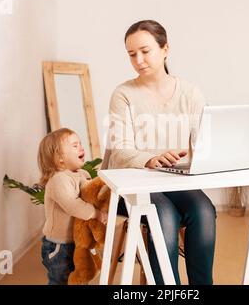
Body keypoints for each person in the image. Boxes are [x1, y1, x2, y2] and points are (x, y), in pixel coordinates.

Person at [106, 20, 217, 285]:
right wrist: (150, 159)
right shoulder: (123, 94)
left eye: (145, 51)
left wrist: (202, 154)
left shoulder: (190, 92)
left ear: (165, 49)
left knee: (203, 210)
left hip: (175, 179)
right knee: (163, 214)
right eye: (132, 54)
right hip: (134, 182)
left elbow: (205, 142)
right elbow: (119, 152)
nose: (138, 60)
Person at [37, 128, 107, 285]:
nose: (81, 147)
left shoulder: (80, 174)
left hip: (76, 241)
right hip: (59, 245)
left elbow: (87, 193)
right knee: (61, 279)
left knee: (79, 276)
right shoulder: (59, 180)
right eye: (75, 146)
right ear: (60, 158)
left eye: (80, 143)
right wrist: (96, 213)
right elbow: (73, 205)